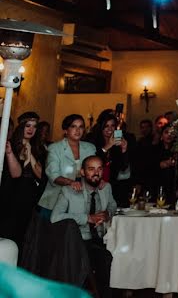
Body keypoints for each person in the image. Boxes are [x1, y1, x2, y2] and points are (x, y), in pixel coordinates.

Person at [50, 155, 116, 298]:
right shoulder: (69, 191)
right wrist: (87, 218)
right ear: (82, 172)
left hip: (100, 238)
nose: (96, 173)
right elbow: (55, 218)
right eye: (91, 169)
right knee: (103, 259)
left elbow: (112, 205)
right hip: (77, 241)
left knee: (116, 256)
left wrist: (107, 213)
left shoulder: (106, 188)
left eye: (99, 169)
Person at [0, 112, 46, 247]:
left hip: (28, 198)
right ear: (21, 127)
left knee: (22, 234)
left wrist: (30, 152)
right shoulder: (10, 145)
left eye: (34, 126)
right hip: (10, 194)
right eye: (28, 126)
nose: (31, 129)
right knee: (7, 232)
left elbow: (40, 174)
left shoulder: (38, 148)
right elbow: (15, 174)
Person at [38, 114, 97, 216]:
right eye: (73, 126)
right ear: (66, 130)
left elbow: (95, 170)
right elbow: (54, 175)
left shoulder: (90, 148)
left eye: (81, 127)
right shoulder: (54, 148)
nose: (77, 130)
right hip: (56, 198)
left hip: (82, 198)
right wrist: (71, 182)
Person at [88, 111, 131, 206]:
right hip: (95, 185)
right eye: (106, 126)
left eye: (112, 125)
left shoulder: (117, 144)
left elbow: (123, 168)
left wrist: (124, 149)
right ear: (101, 126)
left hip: (113, 187)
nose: (110, 129)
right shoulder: (92, 141)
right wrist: (107, 147)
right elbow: (91, 163)